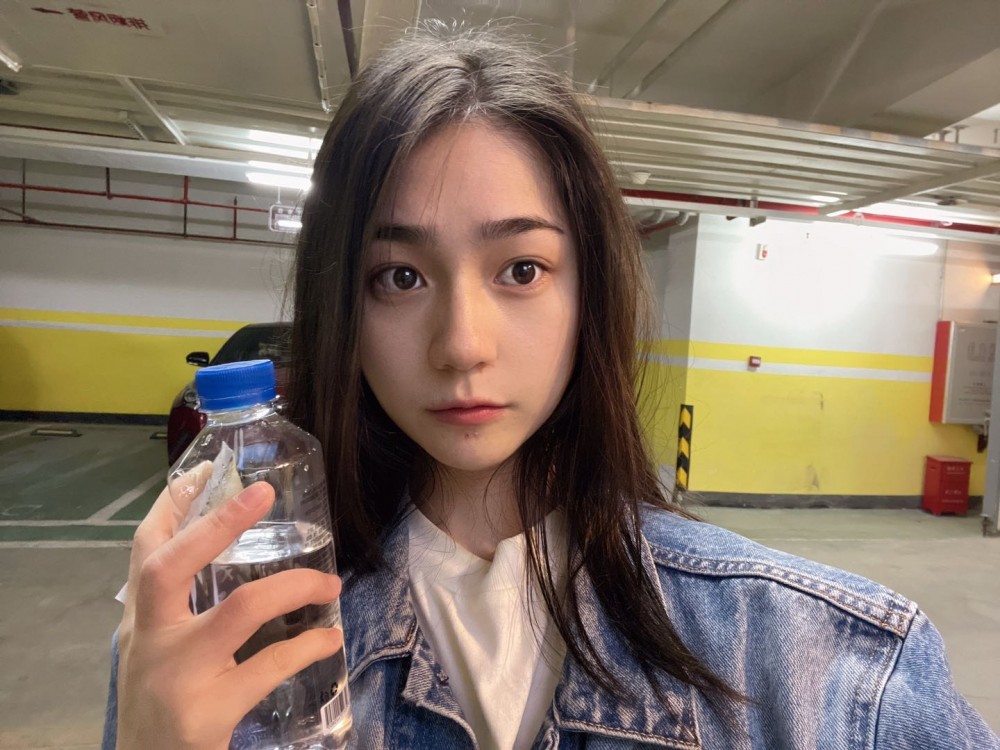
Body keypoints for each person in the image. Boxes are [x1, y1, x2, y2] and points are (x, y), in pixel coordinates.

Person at [104, 26, 999, 750]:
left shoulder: (827, 668)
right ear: (343, 306)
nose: (462, 345)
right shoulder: (224, 649)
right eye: (399, 277)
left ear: (589, 293)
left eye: (522, 269)